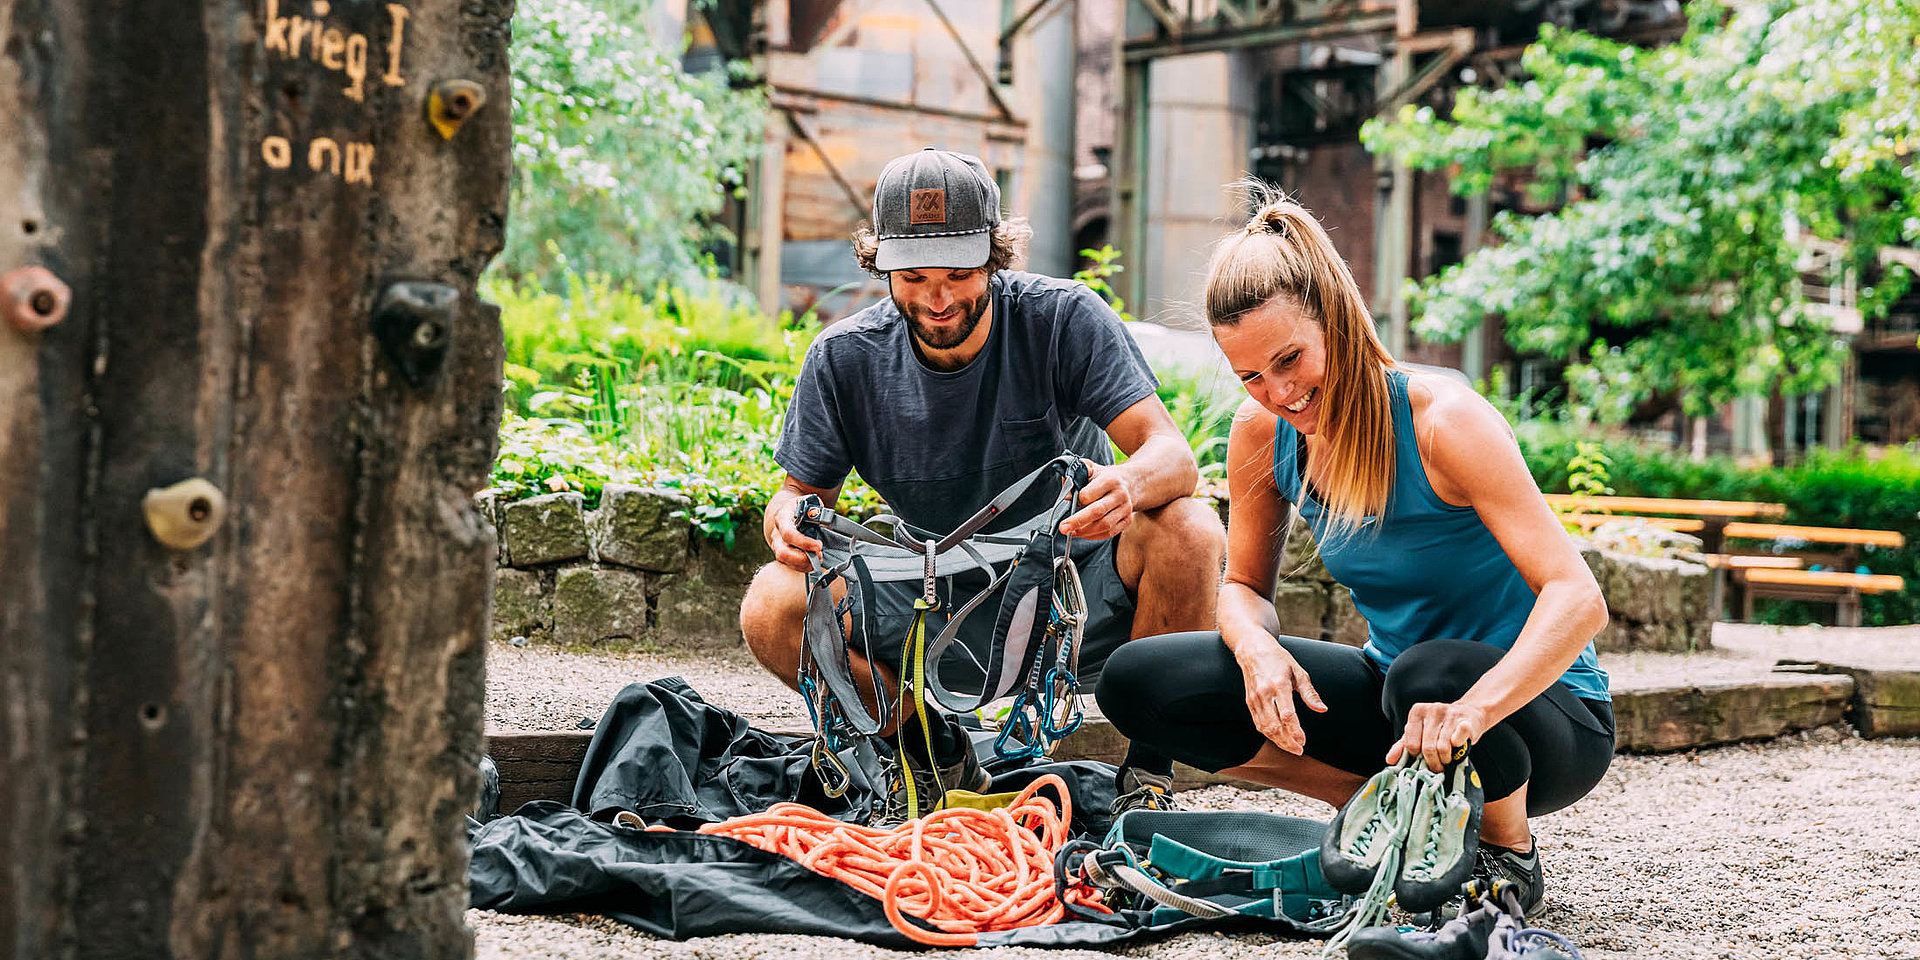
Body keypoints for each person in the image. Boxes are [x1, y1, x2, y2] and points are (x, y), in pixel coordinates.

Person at [1095, 191, 1614, 916]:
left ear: (1334, 316)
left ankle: (1506, 852)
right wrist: (1255, 650)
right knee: (1141, 682)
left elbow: (1578, 598)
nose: (1280, 393)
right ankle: (1397, 810)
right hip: (1402, 704)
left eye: (1289, 359)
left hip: (1539, 718)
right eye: (1250, 376)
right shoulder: (1263, 433)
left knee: (1431, 671)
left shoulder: (1444, 422)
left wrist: (1473, 710)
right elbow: (1243, 584)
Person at [739, 148, 1225, 821]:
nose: (938, 300)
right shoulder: (841, 359)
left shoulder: (1063, 318)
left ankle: (1148, 778)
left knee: (1190, 528)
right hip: (928, 593)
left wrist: (1127, 482)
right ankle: (930, 753)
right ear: (880, 264)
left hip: (1066, 588)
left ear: (997, 259)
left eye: (960, 274)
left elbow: (1173, 456)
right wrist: (787, 517)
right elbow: (800, 499)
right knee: (770, 603)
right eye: (913, 276)